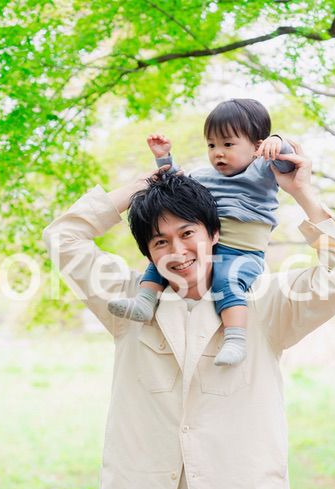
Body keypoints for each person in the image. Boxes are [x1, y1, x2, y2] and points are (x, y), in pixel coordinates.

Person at [43, 142, 335, 489]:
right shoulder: (129, 302)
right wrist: (145, 186)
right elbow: (63, 238)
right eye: (160, 241)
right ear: (148, 253)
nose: (177, 251)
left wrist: (302, 192)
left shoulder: (264, 303)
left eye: (187, 233)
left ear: (214, 233)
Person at [108, 98, 295, 366]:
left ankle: (235, 339)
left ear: (257, 146)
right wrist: (163, 157)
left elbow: (289, 162)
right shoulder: (204, 176)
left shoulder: (263, 170)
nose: (218, 152)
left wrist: (278, 142)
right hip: (208, 245)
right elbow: (175, 187)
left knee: (226, 281)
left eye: (228, 144)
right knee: (159, 260)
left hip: (242, 251)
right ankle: (145, 301)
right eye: (212, 145)